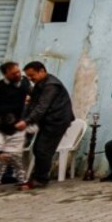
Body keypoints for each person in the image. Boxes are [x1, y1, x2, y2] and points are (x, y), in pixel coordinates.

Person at [14, 62, 74, 190]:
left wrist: (27, 121)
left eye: (32, 75)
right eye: (28, 76)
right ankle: (37, 177)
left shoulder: (51, 85)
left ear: (42, 71)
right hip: (48, 121)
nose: (30, 78)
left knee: (43, 149)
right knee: (38, 149)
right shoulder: (40, 84)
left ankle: (41, 180)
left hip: (57, 121)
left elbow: (41, 107)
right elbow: (33, 103)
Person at [0, 62, 32, 187]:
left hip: (18, 126)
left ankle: (23, 181)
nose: (18, 74)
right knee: (0, 155)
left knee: (15, 156)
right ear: (6, 74)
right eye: (13, 73)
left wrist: (26, 119)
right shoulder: (0, 86)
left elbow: (32, 98)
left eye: (18, 72)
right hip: (1, 126)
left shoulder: (25, 83)